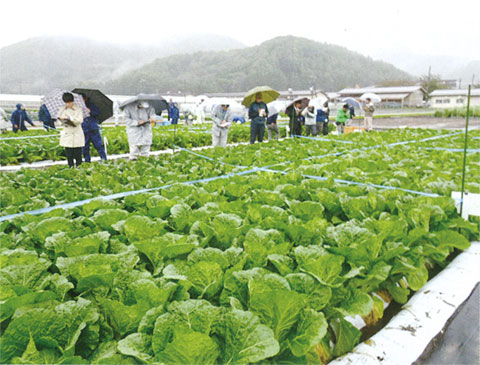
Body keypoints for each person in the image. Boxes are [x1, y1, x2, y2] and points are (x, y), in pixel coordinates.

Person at [57, 93, 84, 167]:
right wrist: (63, 121)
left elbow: (80, 120)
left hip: (76, 133)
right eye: (66, 103)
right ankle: (70, 169)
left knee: (78, 155)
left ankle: (79, 170)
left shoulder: (78, 109)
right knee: (69, 155)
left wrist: (70, 119)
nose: (67, 104)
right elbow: (58, 121)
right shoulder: (62, 109)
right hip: (67, 134)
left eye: (69, 102)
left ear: (72, 101)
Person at [80, 94, 107, 163]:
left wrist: (90, 111)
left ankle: (104, 159)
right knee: (85, 147)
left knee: (99, 145)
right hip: (84, 129)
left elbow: (97, 113)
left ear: (85, 99)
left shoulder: (92, 106)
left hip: (93, 129)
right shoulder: (78, 108)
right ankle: (87, 162)